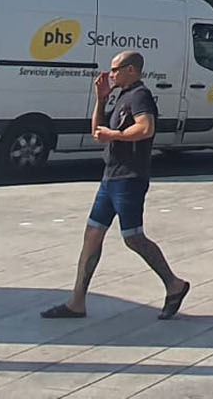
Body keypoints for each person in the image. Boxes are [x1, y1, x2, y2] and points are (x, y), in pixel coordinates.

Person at [42, 51, 191, 321]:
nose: (110, 74)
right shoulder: (122, 96)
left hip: (129, 178)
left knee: (133, 237)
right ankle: (77, 302)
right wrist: (101, 100)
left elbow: (146, 128)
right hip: (110, 177)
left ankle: (174, 284)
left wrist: (116, 135)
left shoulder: (140, 96)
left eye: (115, 69)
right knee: (92, 234)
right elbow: (98, 132)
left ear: (131, 69)